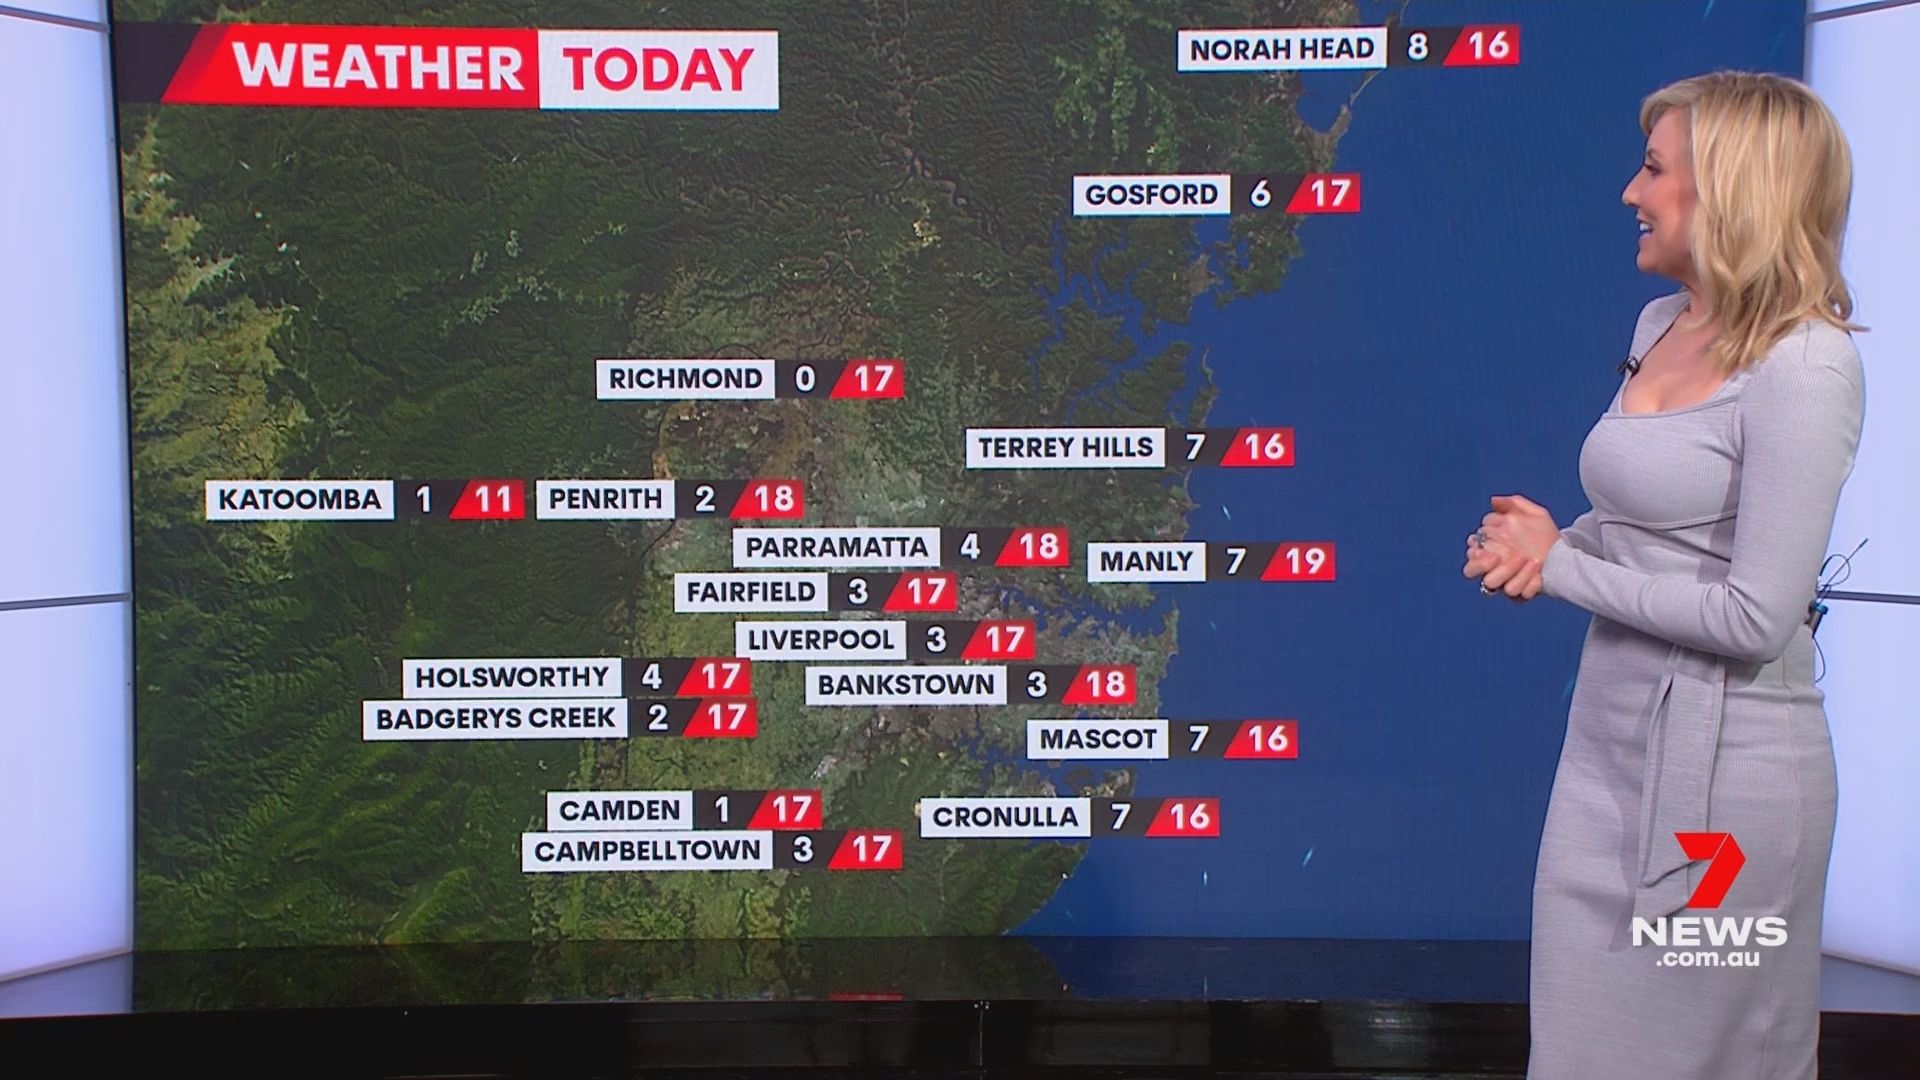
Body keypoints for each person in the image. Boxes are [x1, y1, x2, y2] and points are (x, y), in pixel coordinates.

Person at [1462, 71, 1867, 1079]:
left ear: (1731, 189)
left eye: (1653, 170)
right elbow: (1650, 523)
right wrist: (1553, 542)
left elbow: (1755, 616)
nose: (1630, 193)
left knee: (1703, 1060)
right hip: (1605, 759)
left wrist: (1563, 568)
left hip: (1724, 791)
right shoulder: (1659, 324)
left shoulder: (1806, 368)